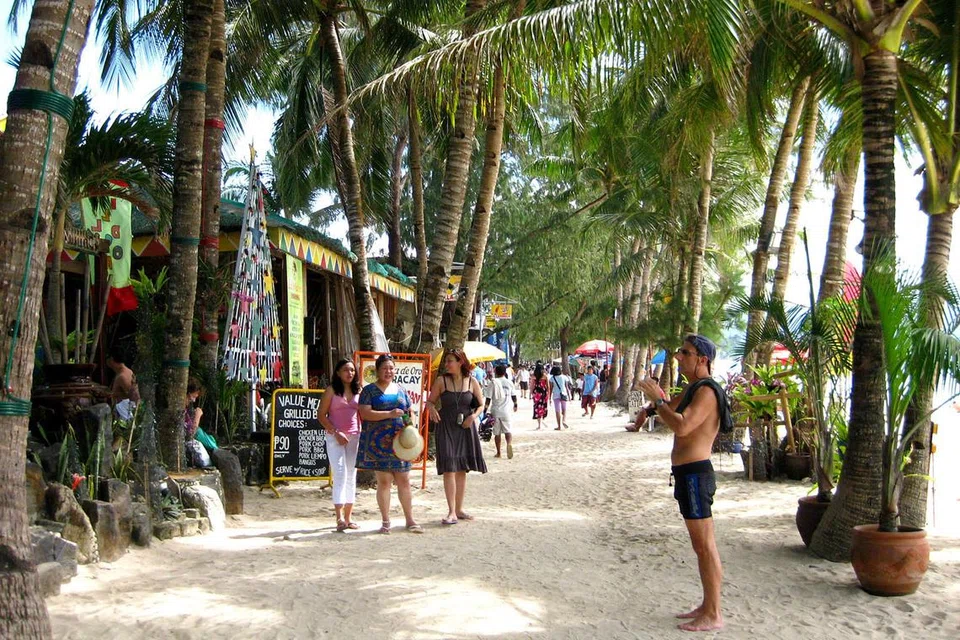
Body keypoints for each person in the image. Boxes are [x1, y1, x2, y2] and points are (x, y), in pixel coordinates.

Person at [637, 334, 726, 632]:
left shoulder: (707, 392)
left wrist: (658, 399)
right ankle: (707, 604)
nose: (678, 357)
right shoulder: (694, 388)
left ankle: (714, 613)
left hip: (696, 475)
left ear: (702, 359)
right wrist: (649, 409)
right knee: (700, 545)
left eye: (685, 353)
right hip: (687, 474)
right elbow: (668, 412)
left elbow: (683, 425)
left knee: (705, 546)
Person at [357, 354, 423, 534]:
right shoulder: (369, 391)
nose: (388, 371)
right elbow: (365, 413)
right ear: (377, 370)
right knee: (384, 481)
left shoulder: (401, 389)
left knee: (404, 479)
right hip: (378, 442)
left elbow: (409, 410)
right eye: (385, 368)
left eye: (391, 368)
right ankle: (386, 520)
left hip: (400, 441)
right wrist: (389, 414)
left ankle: (410, 519)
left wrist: (412, 427)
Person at [425, 349, 488, 525]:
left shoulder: (472, 381)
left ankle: (459, 509)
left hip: (465, 427)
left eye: (450, 361)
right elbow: (430, 401)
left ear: (460, 362)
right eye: (446, 361)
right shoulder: (441, 381)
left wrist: (473, 417)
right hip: (446, 426)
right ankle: (451, 511)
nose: (447, 364)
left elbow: (481, 405)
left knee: (461, 468)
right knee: (449, 467)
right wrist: (431, 409)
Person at [318, 359, 361, 532]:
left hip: (355, 436)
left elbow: (363, 412)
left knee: (352, 474)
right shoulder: (331, 391)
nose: (349, 373)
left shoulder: (360, 390)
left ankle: (349, 517)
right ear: (338, 372)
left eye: (352, 370)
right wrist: (335, 432)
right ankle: (339, 517)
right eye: (345, 370)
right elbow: (321, 415)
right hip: (334, 436)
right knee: (340, 473)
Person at [483, 364, 518, 459]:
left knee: (497, 433)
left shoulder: (493, 383)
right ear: (504, 373)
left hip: (495, 411)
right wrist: (515, 404)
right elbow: (513, 396)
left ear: (496, 372)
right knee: (508, 430)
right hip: (506, 411)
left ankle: (499, 452)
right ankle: (509, 444)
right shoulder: (509, 382)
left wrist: (485, 410)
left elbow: (488, 399)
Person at [183, 378, 210, 467]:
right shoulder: (180, 411)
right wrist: (197, 417)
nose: (193, 401)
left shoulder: (185, 411)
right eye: (193, 397)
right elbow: (189, 434)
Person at [106, 350, 140, 420]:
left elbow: (134, 398)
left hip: (124, 415)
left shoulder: (122, 376)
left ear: (111, 359)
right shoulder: (127, 371)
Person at [549, 365, 572, 430]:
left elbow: (551, 389)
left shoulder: (552, 379)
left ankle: (559, 426)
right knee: (564, 409)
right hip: (563, 394)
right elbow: (567, 387)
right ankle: (564, 420)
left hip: (556, 395)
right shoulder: (564, 377)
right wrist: (569, 396)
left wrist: (549, 398)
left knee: (557, 411)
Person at [530, 363, 549, 430]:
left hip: (537, 393)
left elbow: (532, 386)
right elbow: (548, 386)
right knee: (543, 407)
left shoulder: (533, 376)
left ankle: (539, 424)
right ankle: (542, 421)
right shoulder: (545, 376)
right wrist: (548, 395)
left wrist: (531, 393)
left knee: (537, 408)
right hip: (544, 393)